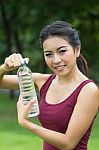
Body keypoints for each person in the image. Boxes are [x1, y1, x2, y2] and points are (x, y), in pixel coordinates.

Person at [0, 21, 99, 150]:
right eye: (49, 54)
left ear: (77, 50)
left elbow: (68, 143)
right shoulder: (42, 81)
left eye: (62, 51)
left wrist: (26, 123)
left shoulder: (88, 90)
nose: (56, 60)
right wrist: (5, 67)